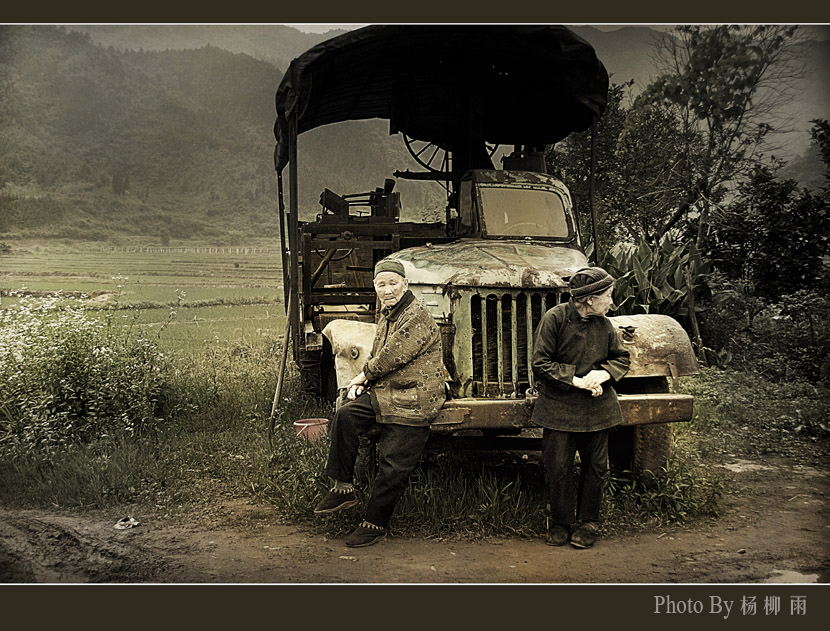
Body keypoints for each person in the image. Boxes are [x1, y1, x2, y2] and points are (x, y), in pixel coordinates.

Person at [313, 259, 449, 547]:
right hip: (388, 390)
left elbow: (392, 355)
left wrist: (361, 376)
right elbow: (377, 353)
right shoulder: (388, 314)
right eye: (381, 284)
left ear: (405, 284)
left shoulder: (417, 315)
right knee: (346, 417)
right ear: (375, 288)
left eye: (393, 283)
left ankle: (375, 522)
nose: (387, 290)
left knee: (393, 463)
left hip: (416, 397)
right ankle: (342, 489)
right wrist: (364, 383)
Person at [530, 267, 630, 549]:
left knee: (596, 467)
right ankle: (561, 523)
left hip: (597, 408)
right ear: (589, 299)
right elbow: (540, 363)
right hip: (559, 407)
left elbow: (621, 358)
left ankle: (589, 522)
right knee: (558, 467)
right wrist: (577, 381)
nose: (611, 302)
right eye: (608, 296)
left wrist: (603, 374)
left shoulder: (605, 325)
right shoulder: (555, 319)